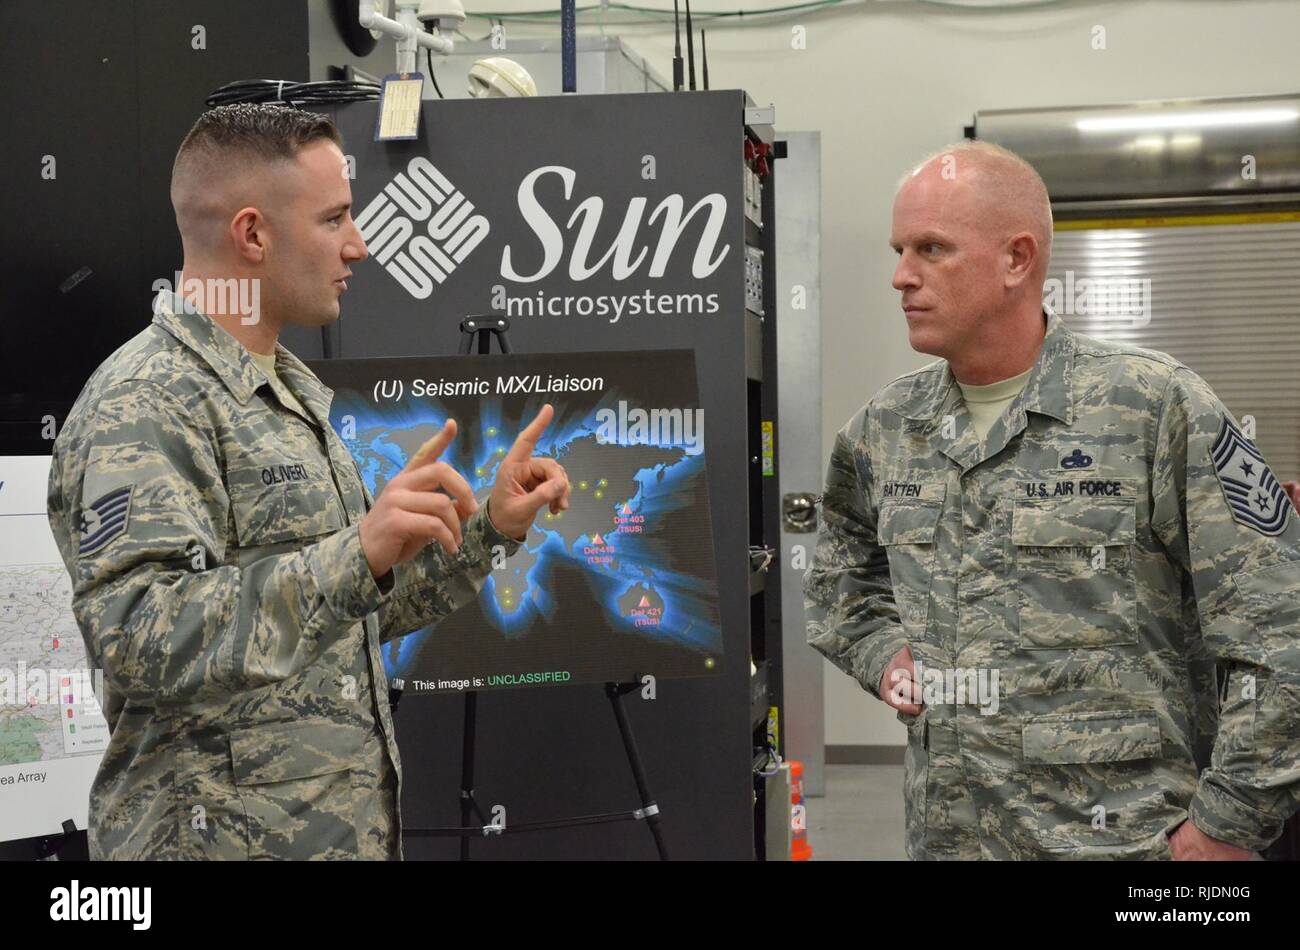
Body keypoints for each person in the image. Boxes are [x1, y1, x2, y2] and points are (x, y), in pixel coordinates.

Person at [46, 104, 570, 860]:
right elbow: (139, 639)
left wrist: (492, 528)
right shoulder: (145, 402)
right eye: (334, 220)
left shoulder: (286, 391)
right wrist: (354, 554)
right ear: (253, 234)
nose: (358, 246)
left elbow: (346, 621)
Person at [805, 140, 1300, 860]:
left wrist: (1228, 825)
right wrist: (887, 655)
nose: (900, 276)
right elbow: (842, 582)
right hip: (950, 842)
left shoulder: (1153, 407)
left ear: (1016, 260)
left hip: (1132, 847)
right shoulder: (883, 432)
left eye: (931, 249)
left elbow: (1281, 630)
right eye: (899, 249)